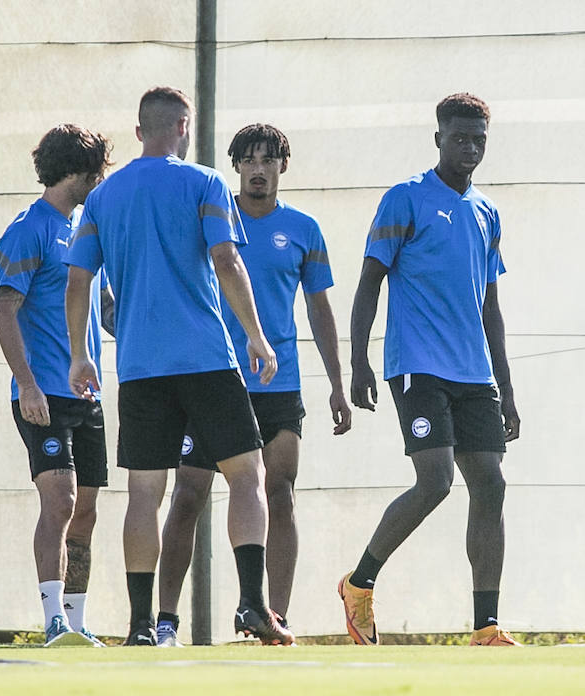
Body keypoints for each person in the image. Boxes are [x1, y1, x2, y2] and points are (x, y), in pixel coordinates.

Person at [64, 86, 293, 646]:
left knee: (145, 494)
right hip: (207, 360)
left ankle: (141, 626)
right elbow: (225, 258)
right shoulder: (206, 181)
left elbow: (78, 282)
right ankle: (251, 606)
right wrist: (259, 338)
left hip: (140, 367)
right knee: (247, 475)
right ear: (184, 129)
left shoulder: (102, 197)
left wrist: (80, 354)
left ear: (140, 131)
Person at [154, 124, 352, 647]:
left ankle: (272, 616)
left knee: (280, 493)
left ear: (283, 166)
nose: (258, 169)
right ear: (236, 167)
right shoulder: (215, 220)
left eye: (268, 159)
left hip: (279, 385)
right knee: (188, 495)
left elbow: (319, 306)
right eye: (249, 160)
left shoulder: (304, 228)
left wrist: (337, 382)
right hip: (214, 378)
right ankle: (166, 622)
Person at [339, 93, 520, 647]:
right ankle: (358, 584)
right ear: (437, 138)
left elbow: (490, 306)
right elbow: (370, 280)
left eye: (479, 139)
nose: (470, 147)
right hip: (417, 366)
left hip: (474, 374)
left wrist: (507, 390)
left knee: (490, 485)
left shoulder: (487, 212)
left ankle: (486, 626)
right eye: (459, 137)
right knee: (436, 480)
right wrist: (359, 360)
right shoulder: (406, 199)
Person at [0, 124, 116, 647]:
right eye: (98, 171)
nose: (102, 181)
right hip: (43, 394)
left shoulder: (87, 230)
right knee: (61, 500)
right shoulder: (29, 229)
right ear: (80, 171)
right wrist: (28, 385)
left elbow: (107, 308)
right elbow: (5, 312)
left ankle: (75, 619)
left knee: (85, 507)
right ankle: (52, 622)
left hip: (86, 395)